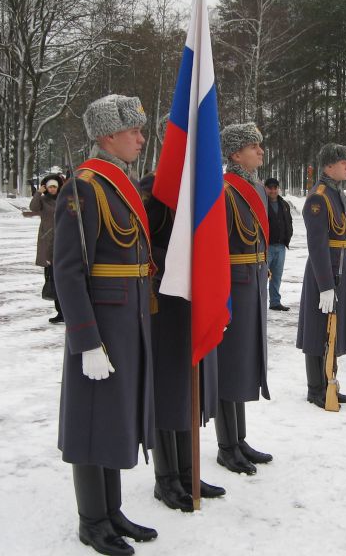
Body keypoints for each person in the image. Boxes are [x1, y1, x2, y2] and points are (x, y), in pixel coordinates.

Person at [53, 94, 158, 556]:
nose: (141, 139)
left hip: (127, 318)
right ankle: (91, 519)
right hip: (101, 323)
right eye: (134, 131)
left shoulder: (118, 184)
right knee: (92, 419)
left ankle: (111, 511)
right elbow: (68, 271)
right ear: (108, 135)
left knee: (114, 416)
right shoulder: (85, 187)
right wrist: (86, 341)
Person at [138, 173, 225, 512]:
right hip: (164, 303)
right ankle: (166, 478)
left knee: (189, 390)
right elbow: (141, 243)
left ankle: (188, 473)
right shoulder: (155, 189)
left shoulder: (197, 184)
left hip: (193, 303)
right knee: (167, 391)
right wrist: (180, 261)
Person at [214, 122, 272, 475]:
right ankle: (226, 445)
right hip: (233, 286)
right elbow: (216, 247)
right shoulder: (224, 190)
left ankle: (239, 438)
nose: (260, 151)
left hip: (253, 282)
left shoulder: (254, 189)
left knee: (245, 362)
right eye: (253, 146)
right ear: (236, 154)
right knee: (230, 365)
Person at [296, 143, 346, 408]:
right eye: (344, 162)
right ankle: (316, 388)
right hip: (324, 272)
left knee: (333, 327)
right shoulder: (319, 197)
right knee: (318, 329)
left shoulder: (336, 193)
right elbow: (317, 244)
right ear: (330, 165)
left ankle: (330, 381)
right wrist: (325, 285)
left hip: (339, 267)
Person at [29, 175, 64, 323]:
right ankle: (60, 312)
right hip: (47, 242)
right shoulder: (43, 200)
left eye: (54, 186)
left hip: (63, 242)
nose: (52, 189)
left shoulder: (64, 199)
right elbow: (33, 208)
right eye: (50, 187)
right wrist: (38, 193)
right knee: (52, 279)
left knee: (62, 279)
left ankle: (66, 311)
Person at [264, 177, 294, 311]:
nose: (273, 191)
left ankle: (275, 302)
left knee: (276, 277)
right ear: (265, 189)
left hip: (281, 246)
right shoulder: (262, 203)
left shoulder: (284, 204)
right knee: (262, 277)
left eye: (275, 188)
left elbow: (289, 222)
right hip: (266, 247)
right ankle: (259, 304)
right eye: (270, 188)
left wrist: (288, 236)